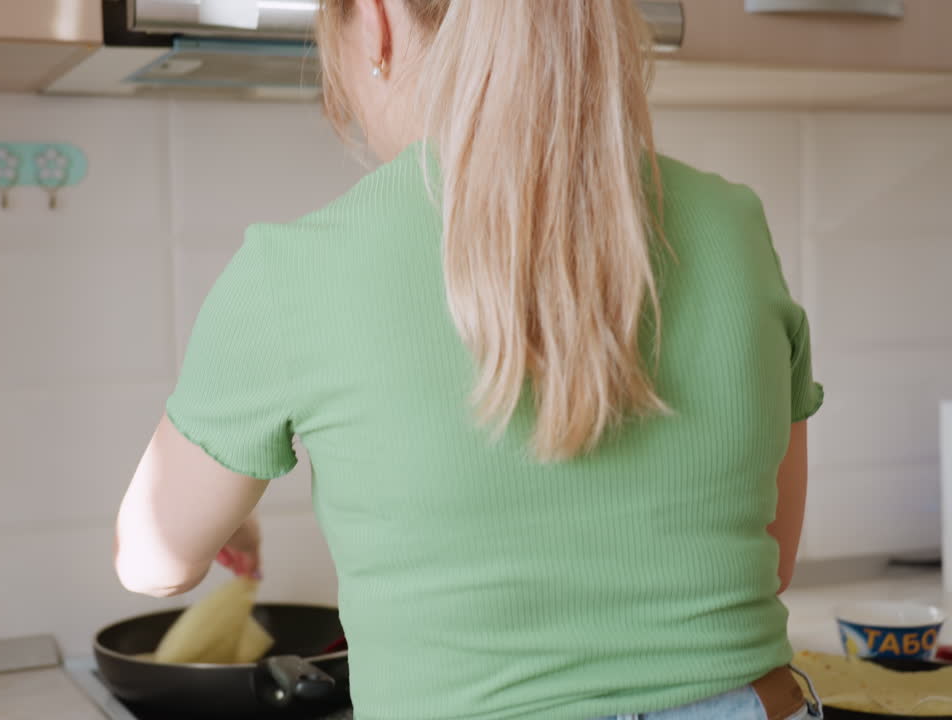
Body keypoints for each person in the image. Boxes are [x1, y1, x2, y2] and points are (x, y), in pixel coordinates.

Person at [114, 1, 824, 718]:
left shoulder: (292, 269)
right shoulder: (735, 225)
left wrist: (220, 509)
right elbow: (774, 557)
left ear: (378, 22)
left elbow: (152, 564)